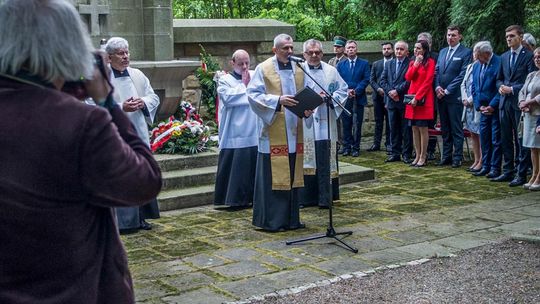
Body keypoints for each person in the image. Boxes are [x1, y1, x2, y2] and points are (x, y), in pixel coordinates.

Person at [0, 0, 162, 302]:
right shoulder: (79, 122)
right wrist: (107, 103)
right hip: (71, 290)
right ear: (65, 47)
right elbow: (145, 180)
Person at [246, 33, 312, 232]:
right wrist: (277, 101)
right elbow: (252, 95)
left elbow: (307, 92)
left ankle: (292, 219)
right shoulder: (263, 68)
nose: (290, 51)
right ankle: (272, 221)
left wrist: (308, 109)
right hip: (273, 129)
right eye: (285, 48)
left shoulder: (300, 67)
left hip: (295, 129)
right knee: (274, 178)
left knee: (292, 176)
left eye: (291, 47)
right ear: (275, 50)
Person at [105, 37, 161, 232]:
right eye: (121, 53)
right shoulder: (102, 77)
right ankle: (123, 222)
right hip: (115, 135)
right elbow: (91, 104)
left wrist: (143, 103)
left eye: (127, 52)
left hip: (138, 132)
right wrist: (121, 107)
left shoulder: (137, 75)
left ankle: (141, 218)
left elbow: (153, 96)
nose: (125, 56)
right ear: (109, 57)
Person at [298, 39, 348, 208]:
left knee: (326, 157)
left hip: (326, 119)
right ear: (304, 54)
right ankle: (306, 198)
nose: (314, 55)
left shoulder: (331, 71)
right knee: (307, 158)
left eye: (317, 52)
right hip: (307, 121)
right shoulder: (298, 70)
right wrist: (307, 104)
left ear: (322, 53)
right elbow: (292, 93)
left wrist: (329, 100)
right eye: (310, 52)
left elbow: (342, 90)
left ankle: (326, 198)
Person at [214, 50, 258, 209]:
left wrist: (250, 87)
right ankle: (234, 199)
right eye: (241, 64)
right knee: (237, 168)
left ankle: (254, 197)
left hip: (254, 129)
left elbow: (261, 94)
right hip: (234, 131)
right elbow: (229, 98)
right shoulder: (224, 80)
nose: (245, 67)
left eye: (247, 62)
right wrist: (247, 87)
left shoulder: (255, 75)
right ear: (232, 63)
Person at [494, 25, 535, 186]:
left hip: (519, 102)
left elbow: (530, 80)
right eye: (507, 37)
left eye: (512, 36)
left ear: (520, 37)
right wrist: (500, 87)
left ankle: (521, 172)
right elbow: (499, 78)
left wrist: (512, 89)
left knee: (520, 139)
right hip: (504, 103)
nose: (509, 39)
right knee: (505, 138)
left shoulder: (529, 56)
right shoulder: (504, 57)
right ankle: (508, 170)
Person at [435, 25, 473, 168]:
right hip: (441, 96)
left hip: (454, 96)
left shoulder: (466, 52)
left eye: (453, 35)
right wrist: (437, 87)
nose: (450, 38)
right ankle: (446, 156)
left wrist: (448, 90)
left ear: (460, 36)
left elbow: (462, 75)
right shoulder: (443, 51)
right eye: (449, 35)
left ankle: (457, 157)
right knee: (445, 128)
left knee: (456, 128)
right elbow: (437, 71)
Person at [470, 41, 502, 178]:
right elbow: (474, 87)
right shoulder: (477, 66)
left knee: (495, 139)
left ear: (487, 54)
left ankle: (495, 167)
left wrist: (492, 105)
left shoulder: (499, 62)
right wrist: (478, 105)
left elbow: (500, 86)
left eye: (479, 56)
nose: (477, 59)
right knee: (484, 138)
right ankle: (485, 165)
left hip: (494, 108)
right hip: (482, 109)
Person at [336, 40, 370, 157]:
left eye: (353, 47)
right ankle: (346, 147)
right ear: (345, 50)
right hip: (345, 98)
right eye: (349, 48)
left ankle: (356, 147)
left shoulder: (364, 63)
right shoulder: (340, 65)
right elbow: (338, 80)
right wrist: (347, 91)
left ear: (356, 49)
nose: (351, 49)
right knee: (345, 123)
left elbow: (366, 79)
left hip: (358, 97)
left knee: (357, 123)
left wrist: (356, 91)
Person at [405, 40, 436, 167]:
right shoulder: (413, 62)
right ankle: (417, 155)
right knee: (414, 128)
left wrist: (417, 98)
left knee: (423, 128)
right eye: (415, 48)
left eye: (418, 48)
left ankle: (424, 156)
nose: (415, 50)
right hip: (411, 99)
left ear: (424, 49)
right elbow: (408, 77)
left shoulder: (430, 62)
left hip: (423, 99)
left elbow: (428, 82)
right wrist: (416, 64)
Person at [380, 40, 412, 163]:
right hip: (391, 101)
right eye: (397, 49)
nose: (399, 51)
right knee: (393, 128)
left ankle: (406, 154)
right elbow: (383, 80)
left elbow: (409, 81)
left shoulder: (410, 64)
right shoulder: (389, 64)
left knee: (405, 129)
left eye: (401, 49)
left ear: (406, 52)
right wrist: (390, 92)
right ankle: (395, 153)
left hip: (404, 100)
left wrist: (397, 91)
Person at [518, 47, 540, 190]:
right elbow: (522, 90)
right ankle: (534, 173)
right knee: (533, 147)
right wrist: (521, 103)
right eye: (536, 57)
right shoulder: (532, 74)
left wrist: (530, 102)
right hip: (528, 115)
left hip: (538, 114)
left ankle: (539, 177)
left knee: (539, 146)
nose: (537, 59)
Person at [417, 32, 439, 161]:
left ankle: (430, 150)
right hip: (416, 97)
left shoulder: (435, 57)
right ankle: (418, 151)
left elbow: (433, 77)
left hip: (431, 96)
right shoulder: (414, 59)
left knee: (430, 125)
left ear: (429, 44)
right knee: (417, 126)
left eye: (424, 42)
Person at [369, 42, 393, 153]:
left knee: (390, 121)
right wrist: (378, 89)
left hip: (391, 96)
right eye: (384, 49)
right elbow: (372, 80)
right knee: (378, 121)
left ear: (392, 50)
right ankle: (376, 143)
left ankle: (389, 143)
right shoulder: (376, 64)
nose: (386, 50)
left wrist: (387, 90)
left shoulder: (395, 63)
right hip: (378, 97)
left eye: (388, 48)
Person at [460, 53, 482, 172]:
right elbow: (463, 84)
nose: (475, 55)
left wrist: (470, 100)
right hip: (467, 105)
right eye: (474, 52)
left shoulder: (482, 66)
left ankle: (482, 160)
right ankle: (476, 159)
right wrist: (464, 98)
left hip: (475, 103)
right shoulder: (470, 66)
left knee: (479, 132)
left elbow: (478, 86)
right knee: (472, 133)